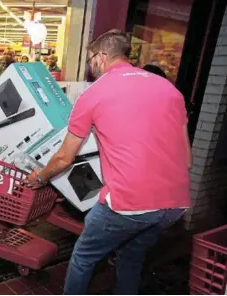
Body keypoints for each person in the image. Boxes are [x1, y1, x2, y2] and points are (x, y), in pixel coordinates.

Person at [24, 29, 191, 295]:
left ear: (101, 57)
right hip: (174, 205)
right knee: (131, 256)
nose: (91, 67)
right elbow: (188, 159)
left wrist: (40, 178)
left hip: (128, 203)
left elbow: (64, 157)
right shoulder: (169, 89)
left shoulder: (94, 94)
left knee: (84, 257)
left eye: (90, 60)